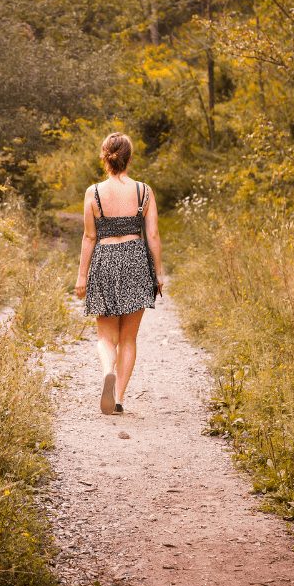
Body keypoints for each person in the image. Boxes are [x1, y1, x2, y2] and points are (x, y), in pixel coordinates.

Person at [74, 132, 165, 415]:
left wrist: (81, 278)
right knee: (129, 338)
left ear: (105, 157)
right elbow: (152, 234)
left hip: (104, 259)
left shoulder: (94, 192)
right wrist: (159, 274)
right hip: (136, 259)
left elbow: (89, 237)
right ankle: (118, 397)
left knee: (105, 335)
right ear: (129, 157)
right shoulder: (144, 191)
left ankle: (106, 372)